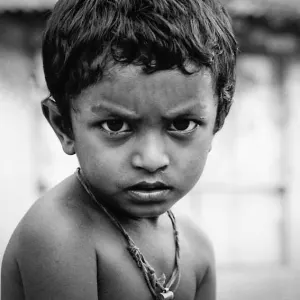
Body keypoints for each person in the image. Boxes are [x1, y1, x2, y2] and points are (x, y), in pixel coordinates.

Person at [1, 0, 237, 299]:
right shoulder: (60, 234)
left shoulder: (196, 248)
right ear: (64, 126)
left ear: (217, 122)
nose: (151, 159)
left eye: (181, 124)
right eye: (115, 126)